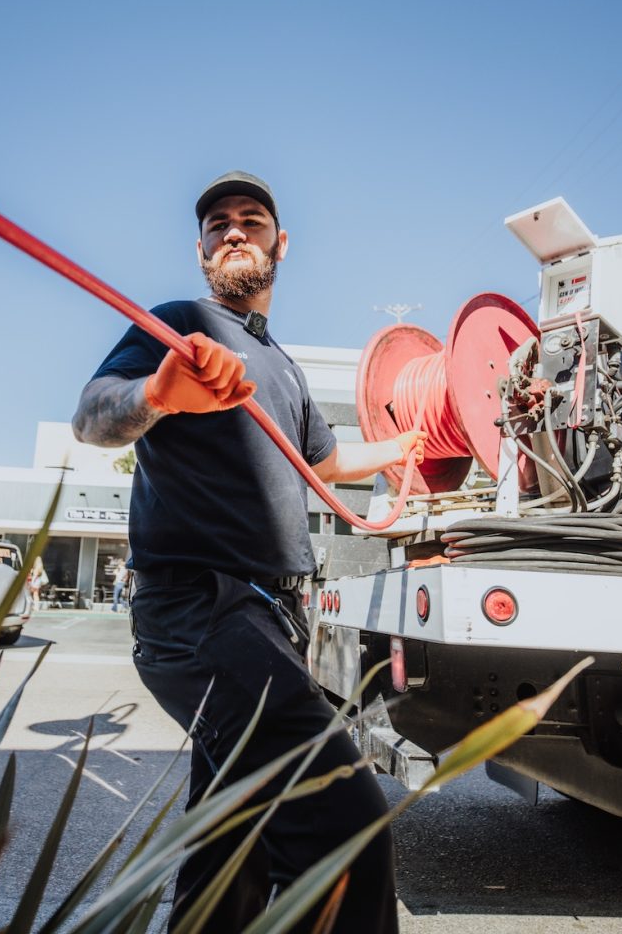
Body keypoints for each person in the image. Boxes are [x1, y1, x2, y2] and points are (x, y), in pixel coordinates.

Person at [72, 171, 427, 933]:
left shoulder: (285, 369)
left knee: (232, 846)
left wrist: (405, 446)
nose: (234, 230)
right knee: (344, 832)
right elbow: (93, 415)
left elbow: (321, 466)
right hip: (202, 611)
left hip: (270, 621)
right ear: (200, 249)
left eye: (252, 220)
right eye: (218, 224)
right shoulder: (179, 325)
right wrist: (162, 394)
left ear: (279, 244)